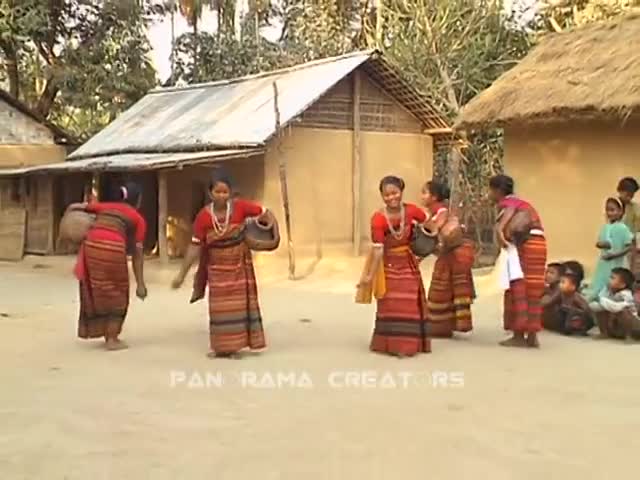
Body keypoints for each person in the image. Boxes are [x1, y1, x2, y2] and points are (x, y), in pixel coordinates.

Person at [171, 171, 271, 358]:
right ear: (210, 193)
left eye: (225, 192)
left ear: (231, 193)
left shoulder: (241, 207)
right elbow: (195, 245)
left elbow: (265, 213)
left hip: (239, 266)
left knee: (238, 307)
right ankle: (221, 347)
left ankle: (235, 347)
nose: (221, 196)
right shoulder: (203, 217)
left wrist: (270, 232)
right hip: (217, 269)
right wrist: (181, 274)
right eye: (217, 192)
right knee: (219, 308)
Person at [356, 175, 431, 357]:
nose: (391, 198)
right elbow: (378, 250)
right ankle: (391, 344)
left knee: (408, 301)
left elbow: (429, 225)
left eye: (394, 193)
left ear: (401, 191)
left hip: (407, 261)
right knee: (389, 302)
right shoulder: (378, 219)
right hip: (388, 264)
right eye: (386, 195)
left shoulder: (413, 211)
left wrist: (428, 245)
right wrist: (369, 276)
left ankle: (406, 345)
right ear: (382, 196)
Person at [68, 182, 148, 351]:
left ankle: (100, 330)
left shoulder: (104, 206)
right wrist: (140, 283)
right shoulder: (138, 219)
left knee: (98, 289)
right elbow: (138, 254)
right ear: (138, 200)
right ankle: (111, 338)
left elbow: (77, 207)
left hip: (91, 247)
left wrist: (68, 214)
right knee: (117, 291)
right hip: (113, 248)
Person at [490, 174, 547, 348]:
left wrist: (500, 230)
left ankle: (518, 334)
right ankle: (532, 336)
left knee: (518, 287)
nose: (489, 194)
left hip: (524, 247)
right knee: (533, 288)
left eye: (490, 190)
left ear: (498, 190)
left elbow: (508, 218)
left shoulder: (508, 202)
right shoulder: (525, 204)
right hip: (539, 246)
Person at [421, 180, 475, 337]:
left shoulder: (441, 211)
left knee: (442, 288)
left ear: (434, 196)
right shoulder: (436, 211)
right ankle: (445, 326)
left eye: (424, 193)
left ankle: (440, 327)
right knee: (447, 288)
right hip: (451, 254)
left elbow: (435, 229)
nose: (422, 196)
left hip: (455, 254)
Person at [586, 198, 633, 301]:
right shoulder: (605, 227)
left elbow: (629, 246)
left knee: (614, 285)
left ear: (620, 212)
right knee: (600, 284)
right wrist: (600, 244)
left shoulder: (623, 228)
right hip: (604, 263)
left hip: (617, 262)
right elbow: (600, 242)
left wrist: (614, 255)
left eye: (613, 210)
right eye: (607, 210)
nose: (609, 213)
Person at [590, 267, 640, 341]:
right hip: (615, 327)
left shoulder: (626, 294)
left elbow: (616, 307)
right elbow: (596, 304)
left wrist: (601, 300)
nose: (609, 280)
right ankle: (604, 333)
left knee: (624, 311)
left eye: (612, 278)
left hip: (633, 328)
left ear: (622, 285)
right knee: (600, 309)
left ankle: (629, 336)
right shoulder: (608, 291)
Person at [543, 270, 594, 335]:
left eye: (563, 282)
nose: (560, 285)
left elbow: (587, 310)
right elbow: (548, 303)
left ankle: (577, 329)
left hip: (579, 318)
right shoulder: (560, 294)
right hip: (566, 317)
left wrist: (574, 311)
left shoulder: (575, 296)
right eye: (560, 282)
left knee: (571, 313)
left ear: (572, 287)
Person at [617, 177, 640, 280]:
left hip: (629, 245)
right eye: (628, 194)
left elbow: (637, 228)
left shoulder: (635, 208)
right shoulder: (613, 205)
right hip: (615, 244)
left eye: (632, 195)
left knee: (628, 274)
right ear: (620, 191)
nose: (630, 197)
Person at [541, 262, 565, 331]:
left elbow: (547, 302)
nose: (547, 275)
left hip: (560, 322)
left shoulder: (560, 289)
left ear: (560, 277)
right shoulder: (548, 288)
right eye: (546, 272)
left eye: (551, 273)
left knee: (546, 298)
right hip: (549, 322)